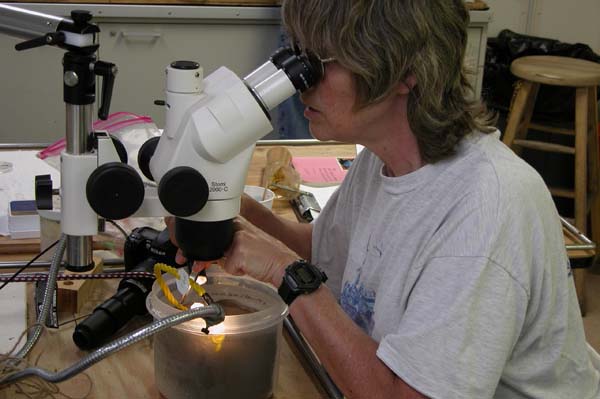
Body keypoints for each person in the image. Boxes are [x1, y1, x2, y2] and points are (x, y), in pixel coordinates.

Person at [169, 0, 600, 397]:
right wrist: (230, 213)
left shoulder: (486, 211)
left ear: (402, 73)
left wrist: (286, 273)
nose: (297, 82)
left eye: (317, 62)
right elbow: (324, 250)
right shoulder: (382, 158)